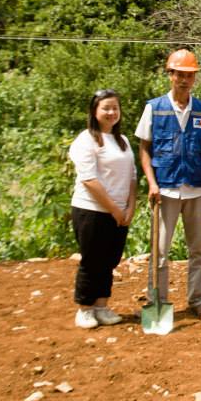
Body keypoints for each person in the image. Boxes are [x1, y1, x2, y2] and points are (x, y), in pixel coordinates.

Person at [135, 49, 201, 322]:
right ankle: (156, 301)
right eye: (179, 74)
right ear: (170, 75)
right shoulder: (154, 108)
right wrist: (151, 183)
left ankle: (198, 300)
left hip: (195, 188)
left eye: (189, 75)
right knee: (160, 251)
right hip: (165, 189)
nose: (184, 80)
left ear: (194, 78)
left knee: (198, 250)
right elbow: (144, 149)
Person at [68, 89, 137, 329]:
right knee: (92, 259)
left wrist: (129, 207)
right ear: (95, 111)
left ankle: (102, 306)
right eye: (106, 108)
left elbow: (132, 177)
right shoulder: (86, 140)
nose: (111, 112)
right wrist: (113, 210)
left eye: (115, 108)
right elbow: (89, 180)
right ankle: (85, 309)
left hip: (119, 211)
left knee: (110, 260)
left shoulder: (123, 141)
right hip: (91, 210)